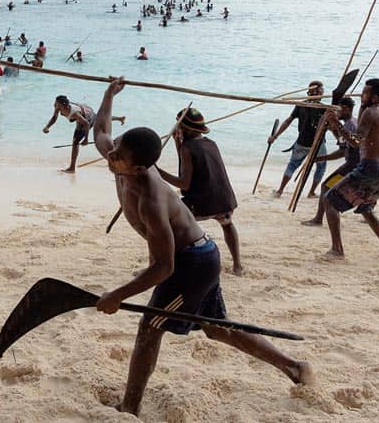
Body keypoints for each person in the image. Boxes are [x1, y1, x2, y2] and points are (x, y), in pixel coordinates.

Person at [92, 79, 313, 416]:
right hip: (196, 256)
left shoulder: (150, 198)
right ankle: (294, 367)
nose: (111, 154)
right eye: (116, 147)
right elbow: (101, 132)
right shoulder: (120, 158)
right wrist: (109, 94)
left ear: (139, 168)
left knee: (149, 329)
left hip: (192, 264)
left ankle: (130, 407)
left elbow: (163, 268)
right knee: (215, 328)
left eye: (118, 155)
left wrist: (118, 294)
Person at [156, 108, 244, 275]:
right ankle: (237, 266)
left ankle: (161, 265)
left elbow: (184, 184)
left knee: (164, 224)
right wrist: (178, 143)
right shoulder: (210, 143)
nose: (176, 128)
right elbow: (189, 164)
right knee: (227, 224)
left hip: (202, 204)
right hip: (224, 200)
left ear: (186, 129)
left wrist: (158, 172)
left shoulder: (188, 148)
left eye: (179, 126)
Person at [321, 79, 379, 261]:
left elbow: (355, 142)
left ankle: (337, 249)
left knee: (329, 199)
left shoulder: (371, 113)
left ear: (375, 96)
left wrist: (335, 123)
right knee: (366, 209)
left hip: (368, 168)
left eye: (365, 92)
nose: (361, 95)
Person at [302, 97, 357, 227]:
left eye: (338, 110)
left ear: (346, 109)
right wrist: (334, 128)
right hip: (354, 164)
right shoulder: (353, 122)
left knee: (326, 186)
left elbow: (342, 152)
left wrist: (321, 158)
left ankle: (318, 219)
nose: (337, 113)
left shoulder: (350, 125)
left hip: (351, 166)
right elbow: (343, 147)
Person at [268, 81, 327, 198]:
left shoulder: (302, 105)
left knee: (292, 165)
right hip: (318, 144)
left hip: (302, 142)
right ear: (318, 92)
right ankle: (311, 192)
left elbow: (288, 121)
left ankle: (280, 190)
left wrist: (275, 136)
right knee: (320, 167)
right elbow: (332, 127)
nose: (323, 92)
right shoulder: (323, 108)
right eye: (322, 90)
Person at [42, 95, 123, 173]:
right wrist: (47, 127)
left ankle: (72, 168)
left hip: (87, 118)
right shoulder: (59, 107)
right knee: (99, 118)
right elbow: (54, 117)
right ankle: (119, 118)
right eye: (55, 103)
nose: (54, 104)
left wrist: (86, 139)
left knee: (75, 142)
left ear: (63, 105)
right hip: (85, 109)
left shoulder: (74, 113)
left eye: (56, 103)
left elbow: (86, 124)